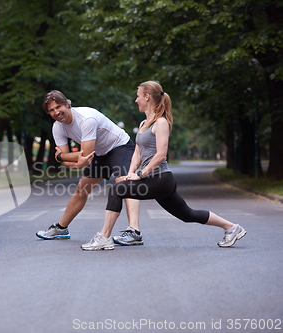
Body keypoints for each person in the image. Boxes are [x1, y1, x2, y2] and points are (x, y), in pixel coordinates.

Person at [97, 80, 246, 248]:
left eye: (138, 96)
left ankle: (104, 237)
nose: (136, 100)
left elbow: (161, 155)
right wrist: (131, 172)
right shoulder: (143, 124)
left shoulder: (160, 123)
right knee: (187, 214)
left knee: (117, 189)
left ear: (147, 97)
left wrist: (140, 174)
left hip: (160, 179)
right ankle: (232, 227)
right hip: (154, 180)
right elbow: (137, 153)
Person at [36, 90, 141, 250]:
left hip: (119, 146)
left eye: (58, 107)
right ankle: (61, 229)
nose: (56, 112)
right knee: (81, 189)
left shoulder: (86, 118)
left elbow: (82, 155)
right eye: (51, 110)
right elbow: (69, 160)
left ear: (67, 104)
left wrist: (61, 157)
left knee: (124, 185)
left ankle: (134, 231)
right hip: (100, 153)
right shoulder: (58, 128)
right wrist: (72, 161)